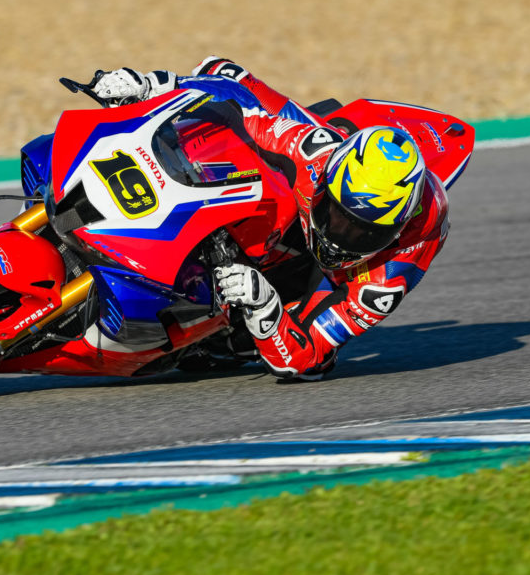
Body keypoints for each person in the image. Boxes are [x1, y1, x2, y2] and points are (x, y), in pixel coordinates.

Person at [91, 58, 449, 381]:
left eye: (360, 232)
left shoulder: (390, 273)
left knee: (256, 344)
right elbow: (236, 92)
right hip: (319, 148)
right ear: (327, 181)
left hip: (318, 288)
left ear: (395, 231)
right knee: (227, 105)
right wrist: (154, 85)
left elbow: (303, 359)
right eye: (335, 215)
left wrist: (266, 306)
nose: (338, 237)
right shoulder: (314, 153)